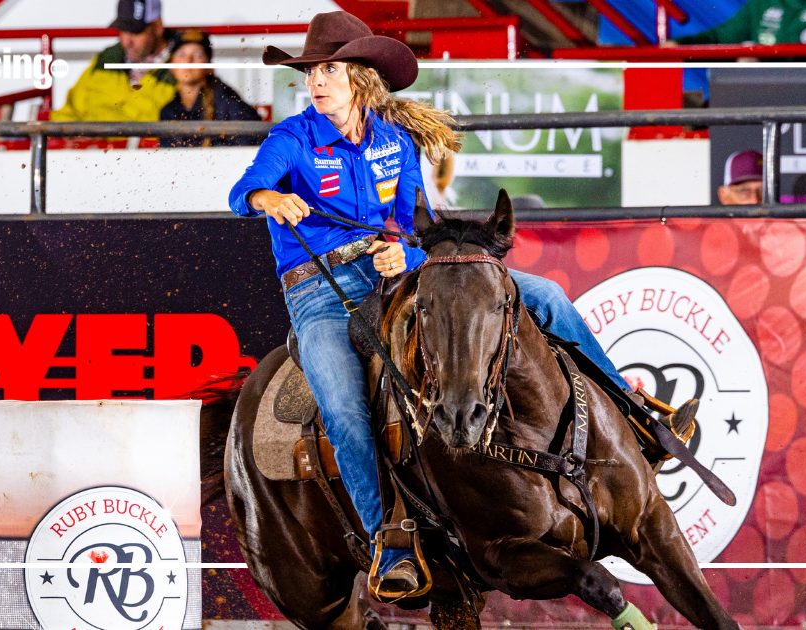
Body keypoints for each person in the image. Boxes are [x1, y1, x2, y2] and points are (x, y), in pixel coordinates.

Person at [228, 11, 674, 600]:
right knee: (341, 406)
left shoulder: (394, 141)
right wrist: (269, 196)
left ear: (360, 76)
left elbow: (410, 224)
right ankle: (389, 543)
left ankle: (636, 413)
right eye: (311, 72)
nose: (316, 81)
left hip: (397, 277)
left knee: (546, 296)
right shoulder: (292, 138)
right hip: (320, 290)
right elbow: (242, 192)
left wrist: (401, 253)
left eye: (329, 69)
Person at [50, 0, 177, 122]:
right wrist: (72, 135)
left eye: (135, 31)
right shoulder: (106, 60)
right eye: (122, 30)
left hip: (142, 144)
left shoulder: (183, 68)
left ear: (158, 27)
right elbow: (68, 111)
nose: (127, 41)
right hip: (87, 142)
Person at [158, 30, 264, 147]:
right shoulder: (168, 111)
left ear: (209, 65)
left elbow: (252, 153)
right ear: (171, 65)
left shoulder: (229, 103)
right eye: (182, 55)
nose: (188, 61)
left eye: (197, 55)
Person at [664, 0, 806, 46]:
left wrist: (763, 63)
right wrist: (679, 45)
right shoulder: (762, 4)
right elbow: (722, 36)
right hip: (759, 97)